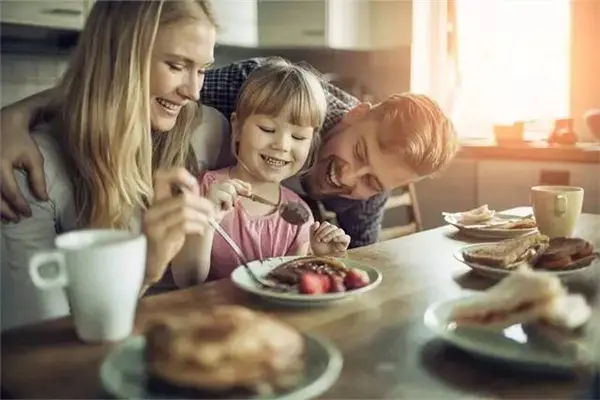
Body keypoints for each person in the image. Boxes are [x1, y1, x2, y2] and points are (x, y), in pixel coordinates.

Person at [1, 0, 223, 330]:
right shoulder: (30, 172)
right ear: (119, 60)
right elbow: (35, 344)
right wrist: (147, 266)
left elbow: (288, 93)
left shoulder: (209, 130)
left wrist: (14, 112)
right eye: (176, 65)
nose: (193, 91)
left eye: (203, 69)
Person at [171, 59, 350, 287]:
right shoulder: (205, 192)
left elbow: (291, 289)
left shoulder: (300, 216)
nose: (282, 145)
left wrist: (319, 256)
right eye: (267, 129)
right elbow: (187, 280)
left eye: (298, 137)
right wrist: (206, 222)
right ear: (237, 127)